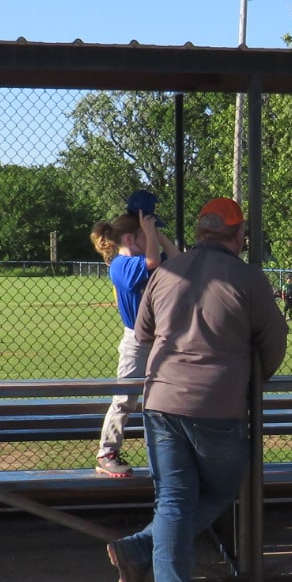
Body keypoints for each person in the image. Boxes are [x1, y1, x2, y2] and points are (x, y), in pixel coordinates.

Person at [105, 197, 287, 582]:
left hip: (162, 401)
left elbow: (144, 331)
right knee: (224, 489)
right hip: (217, 405)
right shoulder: (248, 277)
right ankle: (138, 550)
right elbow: (274, 342)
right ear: (238, 235)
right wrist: (253, 378)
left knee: (174, 500)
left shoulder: (167, 271)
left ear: (202, 231)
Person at [91, 204, 179, 477]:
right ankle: (107, 452)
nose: (149, 240)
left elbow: (176, 258)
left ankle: (170, 453)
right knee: (125, 399)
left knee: (167, 398)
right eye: (144, 235)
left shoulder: (147, 256)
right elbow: (152, 261)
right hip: (137, 342)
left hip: (163, 340)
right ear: (130, 238)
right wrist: (149, 233)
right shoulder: (121, 265)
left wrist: (156, 233)